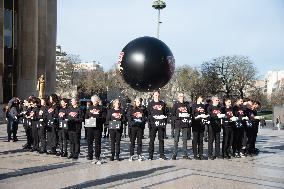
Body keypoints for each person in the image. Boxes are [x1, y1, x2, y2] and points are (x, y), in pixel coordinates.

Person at [85, 95, 106, 164]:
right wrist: (88, 120)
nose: (95, 102)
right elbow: (86, 116)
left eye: (96, 100)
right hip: (90, 127)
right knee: (89, 142)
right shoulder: (89, 108)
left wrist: (96, 119)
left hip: (98, 128)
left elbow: (104, 118)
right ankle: (90, 154)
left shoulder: (102, 108)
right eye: (93, 100)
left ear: (98, 101)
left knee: (97, 142)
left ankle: (97, 155)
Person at [147, 91, 168, 160]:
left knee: (161, 140)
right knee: (152, 140)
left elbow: (165, 113)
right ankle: (150, 155)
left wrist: (164, 120)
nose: (157, 96)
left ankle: (162, 155)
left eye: (158, 95)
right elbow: (148, 114)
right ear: (153, 96)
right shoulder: (150, 104)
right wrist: (151, 122)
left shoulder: (163, 103)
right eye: (155, 95)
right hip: (153, 124)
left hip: (161, 124)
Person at [171, 93, 192, 160]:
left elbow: (189, 113)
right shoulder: (175, 105)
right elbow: (172, 115)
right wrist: (178, 116)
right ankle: (174, 154)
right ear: (178, 97)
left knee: (185, 140)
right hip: (178, 124)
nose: (181, 97)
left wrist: (188, 117)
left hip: (185, 124)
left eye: (182, 96)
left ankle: (185, 154)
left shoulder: (187, 105)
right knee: (176, 140)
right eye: (180, 96)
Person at [191, 94, 207, 160]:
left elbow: (205, 113)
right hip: (195, 124)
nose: (201, 99)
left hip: (202, 124)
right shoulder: (194, 105)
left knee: (200, 140)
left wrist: (205, 116)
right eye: (200, 98)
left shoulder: (203, 106)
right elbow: (192, 114)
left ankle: (201, 154)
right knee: (195, 139)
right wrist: (195, 117)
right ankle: (195, 154)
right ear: (197, 98)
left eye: (202, 98)